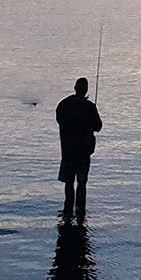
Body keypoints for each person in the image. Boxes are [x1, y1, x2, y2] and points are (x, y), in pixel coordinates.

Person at [55, 77, 102, 225]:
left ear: (75, 88)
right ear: (86, 90)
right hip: (83, 152)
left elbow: (59, 120)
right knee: (82, 183)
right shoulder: (90, 107)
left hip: (68, 151)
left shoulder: (63, 105)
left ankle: (68, 213)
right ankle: (80, 214)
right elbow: (98, 127)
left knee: (69, 183)